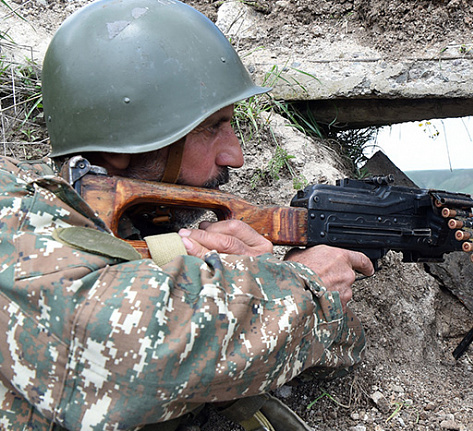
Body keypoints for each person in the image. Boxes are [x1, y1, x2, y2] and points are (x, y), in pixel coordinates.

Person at [0, 0, 374, 430]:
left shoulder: (126, 236)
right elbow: (125, 356)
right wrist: (305, 286)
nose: (234, 154)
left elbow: (330, 354)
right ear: (122, 146)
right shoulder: (13, 211)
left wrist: (237, 278)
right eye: (212, 126)